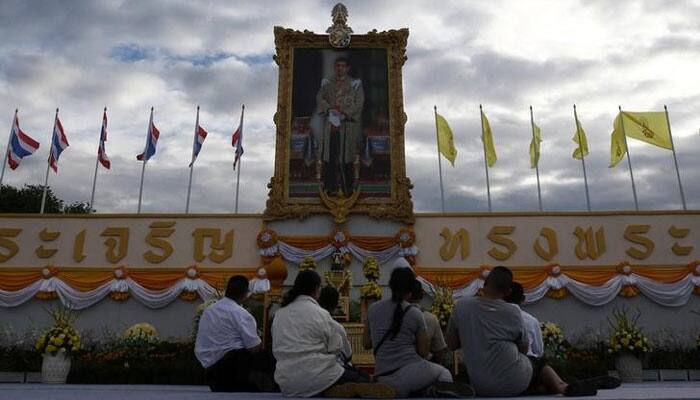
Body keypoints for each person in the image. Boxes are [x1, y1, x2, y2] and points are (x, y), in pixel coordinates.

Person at [446, 266, 599, 397]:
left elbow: (451, 344)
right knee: (538, 363)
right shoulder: (512, 311)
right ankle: (561, 386)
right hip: (514, 381)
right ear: (508, 292)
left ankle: (548, 386)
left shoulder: (462, 306)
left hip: (479, 385)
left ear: (484, 284)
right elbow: (524, 349)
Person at [272, 270, 394, 398]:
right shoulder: (320, 314)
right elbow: (337, 350)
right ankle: (361, 384)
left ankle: (333, 390)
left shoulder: (279, 314)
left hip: (286, 383)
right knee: (357, 376)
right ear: (316, 289)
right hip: (319, 376)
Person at [365, 267, 473, 398]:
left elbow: (366, 344)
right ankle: (431, 392)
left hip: (382, 376)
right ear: (410, 292)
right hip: (408, 375)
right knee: (443, 373)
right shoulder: (415, 313)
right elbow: (423, 352)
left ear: (390, 286)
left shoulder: (372, 309)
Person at [195, 275, 276, 392]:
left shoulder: (208, 311)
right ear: (245, 293)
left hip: (211, 373)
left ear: (227, 290)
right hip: (234, 370)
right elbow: (254, 348)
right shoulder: (241, 314)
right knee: (267, 355)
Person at [314, 56, 364, 196]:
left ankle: (348, 187)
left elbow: (359, 102)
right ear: (334, 67)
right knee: (330, 156)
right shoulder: (327, 83)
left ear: (347, 68)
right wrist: (329, 109)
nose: (340, 68)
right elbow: (319, 98)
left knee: (346, 157)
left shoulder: (355, 84)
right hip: (331, 125)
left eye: (343, 66)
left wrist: (345, 113)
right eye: (338, 66)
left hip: (346, 126)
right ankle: (330, 187)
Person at [408, 279, 449, 364]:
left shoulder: (393, 315)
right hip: (421, 366)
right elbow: (439, 352)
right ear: (422, 294)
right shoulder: (430, 318)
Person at [504, 282, 544, 358]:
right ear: (523, 298)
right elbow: (539, 351)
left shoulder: (492, 318)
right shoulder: (531, 320)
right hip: (526, 363)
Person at [318, 285, 353, 364]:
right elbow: (348, 355)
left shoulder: (310, 323)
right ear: (335, 305)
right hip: (331, 370)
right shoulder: (336, 327)